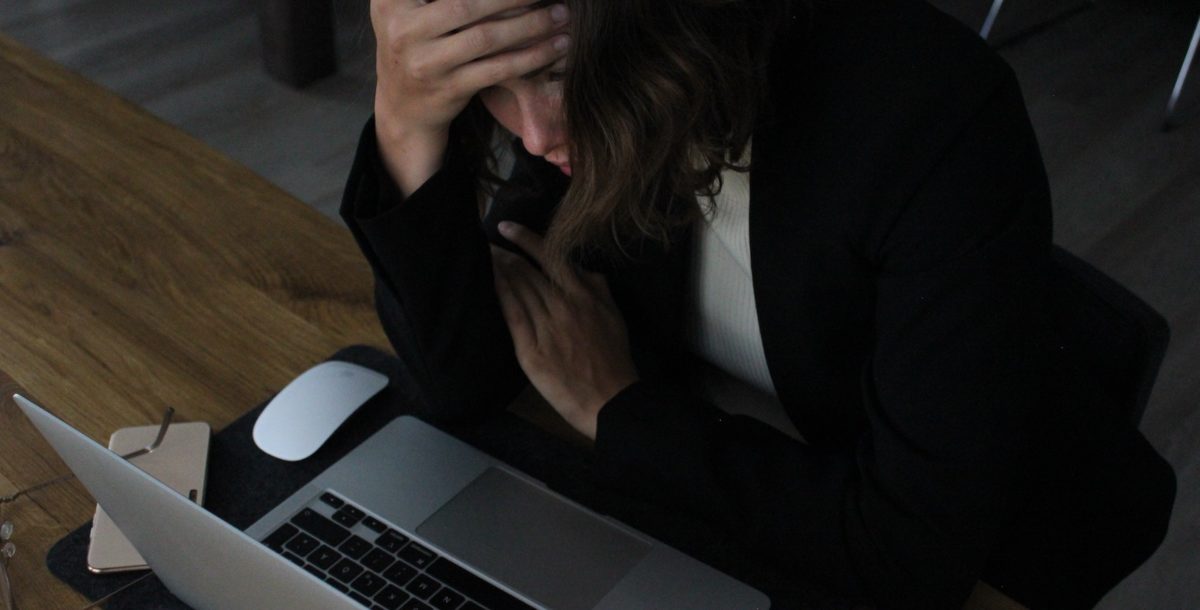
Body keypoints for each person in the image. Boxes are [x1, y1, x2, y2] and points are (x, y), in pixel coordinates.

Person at [342, 0, 1176, 607]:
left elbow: (908, 563)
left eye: (556, 78)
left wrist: (617, 409)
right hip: (739, 501)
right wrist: (406, 119)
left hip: (980, 549)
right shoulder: (578, 102)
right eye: (492, 87)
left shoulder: (927, 111)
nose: (533, 137)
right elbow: (469, 381)